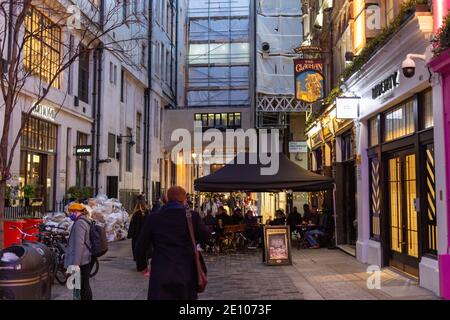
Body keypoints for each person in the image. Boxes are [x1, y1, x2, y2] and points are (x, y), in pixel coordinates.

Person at [135, 186, 211, 300]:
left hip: (161, 271)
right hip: (186, 271)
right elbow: (206, 236)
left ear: (167, 199)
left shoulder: (154, 218)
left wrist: (142, 266)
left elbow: (140, 245)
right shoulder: (192, 217)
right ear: (184, 200)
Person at [64, 203, 93, 300]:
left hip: (80, 261)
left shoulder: (79, 223)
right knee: (83, 284)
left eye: (71, 212)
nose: (70, 215)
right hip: (85, 259)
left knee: (79, 286)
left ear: (76, 212)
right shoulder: (85, 221)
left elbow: (79, 245)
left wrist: (75, 264)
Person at [127, 195, 149, 261]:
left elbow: (132, 225)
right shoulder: (147, 212)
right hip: (145, 234)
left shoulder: (135, 213)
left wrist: (130, 234)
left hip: (136, 235)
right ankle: (145, 259)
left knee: (137, 248)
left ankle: (139, 260)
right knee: (145, 248)